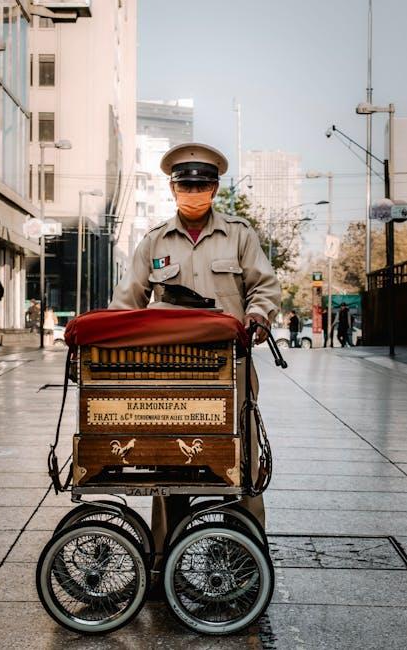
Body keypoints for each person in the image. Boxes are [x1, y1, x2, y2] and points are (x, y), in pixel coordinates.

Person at [109, 142, 281, 572]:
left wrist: (258, 316)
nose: (194, 191)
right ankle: (162, 561)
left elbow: (265, 286)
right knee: (170, 464)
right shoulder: (153, 242)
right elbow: (127, 302)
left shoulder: (240, 234)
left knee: (240, 462)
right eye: (186, 184)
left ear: (215, 188)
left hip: (232, 368)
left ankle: (244, 560)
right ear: (172, 188)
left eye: (202, 184)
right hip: (171, 375)